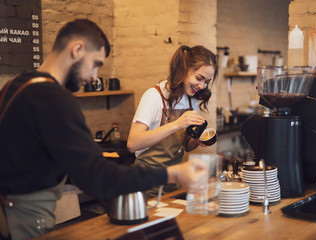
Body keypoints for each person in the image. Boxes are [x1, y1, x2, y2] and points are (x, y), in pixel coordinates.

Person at [0, 19, 208, 240]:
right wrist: (173, 174)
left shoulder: (16, 85)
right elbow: (96, 175)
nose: (94, 76)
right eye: (96, 63)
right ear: (77, 49)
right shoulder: (54, 99)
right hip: (24, 221)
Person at [127, 45, 218, 197]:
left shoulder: (191, 101)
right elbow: (132, 143)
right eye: (199, 78)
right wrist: (177, 124)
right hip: (147, 183)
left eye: (207, 82)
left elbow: (186, 147)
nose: (202, 86)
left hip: (173, 182)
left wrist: (197, 140)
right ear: (183, 69)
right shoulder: (154, 96)